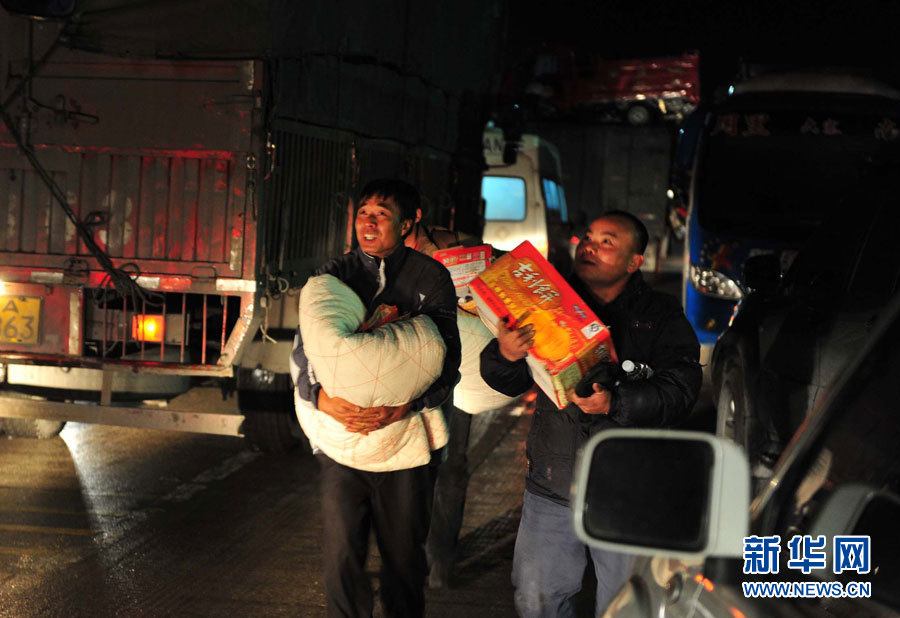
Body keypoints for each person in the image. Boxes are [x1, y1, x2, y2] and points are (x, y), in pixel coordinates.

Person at [479, 210, 702, 617]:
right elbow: (504, 380)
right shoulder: (549, 298)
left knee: (624, 605)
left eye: (606, 242)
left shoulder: (660, 315)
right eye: (587, 238)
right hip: (553, 484)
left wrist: (616, 403)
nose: (590, 246)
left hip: (626, 492)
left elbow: (682, 390)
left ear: (635, 261)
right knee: (537, 600)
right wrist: (505, 354)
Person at [290, 179, 461, 618]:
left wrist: (408, 406)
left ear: (408, 224)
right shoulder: (334, 276)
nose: (368, 221)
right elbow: (305, 350)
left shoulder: (430, 276)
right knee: (341, 558)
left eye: (382, 213)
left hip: (407, 448)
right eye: (363, 211)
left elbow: (447, 362)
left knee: (404, 562)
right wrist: (320, 398)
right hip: (342, 446)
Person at [402, 209, 475, 589]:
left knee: (450, 465)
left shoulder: (453, 246)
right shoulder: (379, 250)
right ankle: (407, 553)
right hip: (405, 374)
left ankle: (440, 561)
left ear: (414, 215)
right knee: (405, 465)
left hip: (454, 370)